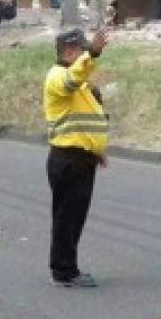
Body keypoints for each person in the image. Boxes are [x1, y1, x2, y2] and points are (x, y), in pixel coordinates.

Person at [43, 29, 110, 288]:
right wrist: (93, 53)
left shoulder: (75, 79)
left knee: (73, 216)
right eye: (81, 51)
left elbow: (86, 117)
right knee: (67, 217)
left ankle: (66, 267)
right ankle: (64, 271)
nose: (85, 57)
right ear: (71, 52)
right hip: (68, 159)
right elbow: (73, 78)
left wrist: (96, 149)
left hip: (80, 158)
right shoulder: (58, 77)